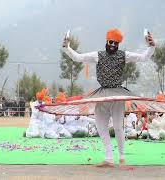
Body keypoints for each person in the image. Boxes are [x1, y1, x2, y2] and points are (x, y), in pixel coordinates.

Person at [62, 28, 155, 167]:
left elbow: (143, 57)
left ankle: (122, 157)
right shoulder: (98, 55)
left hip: (117, 96)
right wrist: (66, 47)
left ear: (118, 44)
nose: (112, 45)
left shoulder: (124, 55)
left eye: (115, 43)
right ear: (106, 41)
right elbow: (78, 58)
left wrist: (151, 46)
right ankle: (109, 158)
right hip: (102, 95)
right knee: (100, 127)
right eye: (111, 42)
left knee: (118, 127)